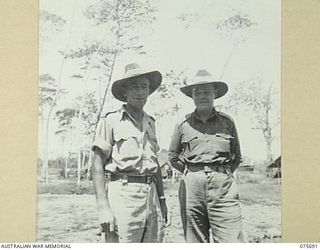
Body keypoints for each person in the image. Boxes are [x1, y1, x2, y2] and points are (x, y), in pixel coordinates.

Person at [91, 63, 168, 243]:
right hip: (123, 195)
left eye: (144, 87)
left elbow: (155, 165)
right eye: (134, 87)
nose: (140, 92)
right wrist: (103, 207)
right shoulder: (111, 120)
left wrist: (162, 201)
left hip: (152, 196)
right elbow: (96, 165)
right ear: (124, 92)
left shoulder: (150, 123)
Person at [168, 69, 245, 243]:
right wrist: (194, 172)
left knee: (231, 239)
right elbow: (173, 157)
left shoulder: (227, 122)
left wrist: (219, 172)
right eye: (197, 92)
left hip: (223, 186)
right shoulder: (183, 124)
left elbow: (237, 157)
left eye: (206, 91)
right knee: (194, 238)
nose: (202, 96)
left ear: (215, 94)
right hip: (192, 187)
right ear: (192, 96)